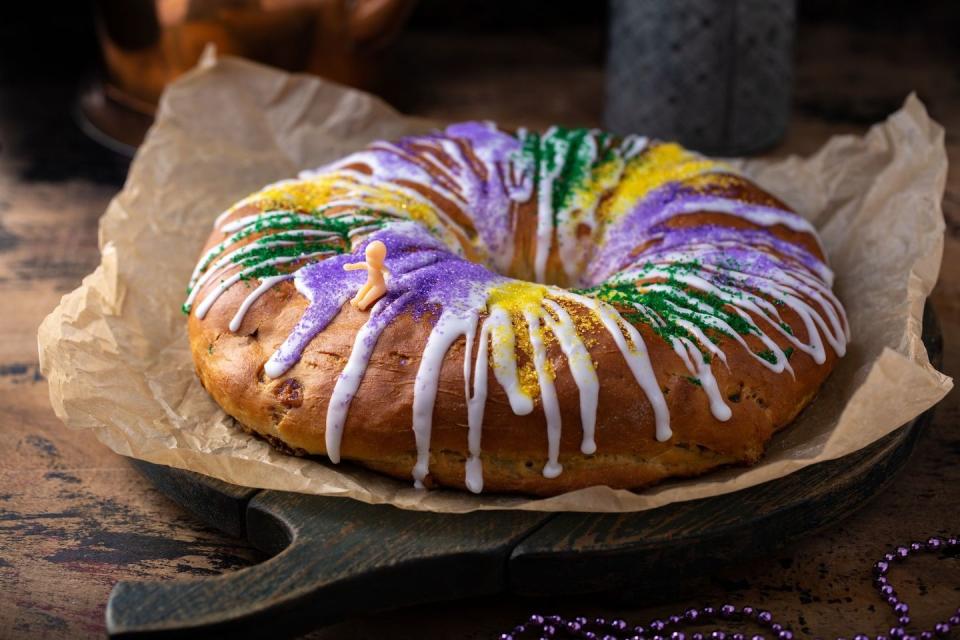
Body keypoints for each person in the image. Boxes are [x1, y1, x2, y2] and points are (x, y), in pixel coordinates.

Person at [343, 240, 390, 311]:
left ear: (381, 258)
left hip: (379, 286)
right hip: (370, 282)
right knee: (364, 289)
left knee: (372, 293)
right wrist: (351, 266)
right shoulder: (368, 264)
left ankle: (364, 303)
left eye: (373, 258)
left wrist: (386, 276)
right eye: (368, 256)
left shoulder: (380, 267)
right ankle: (357, 299)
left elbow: (387, 271)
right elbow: (360, 265)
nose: (369, 260)